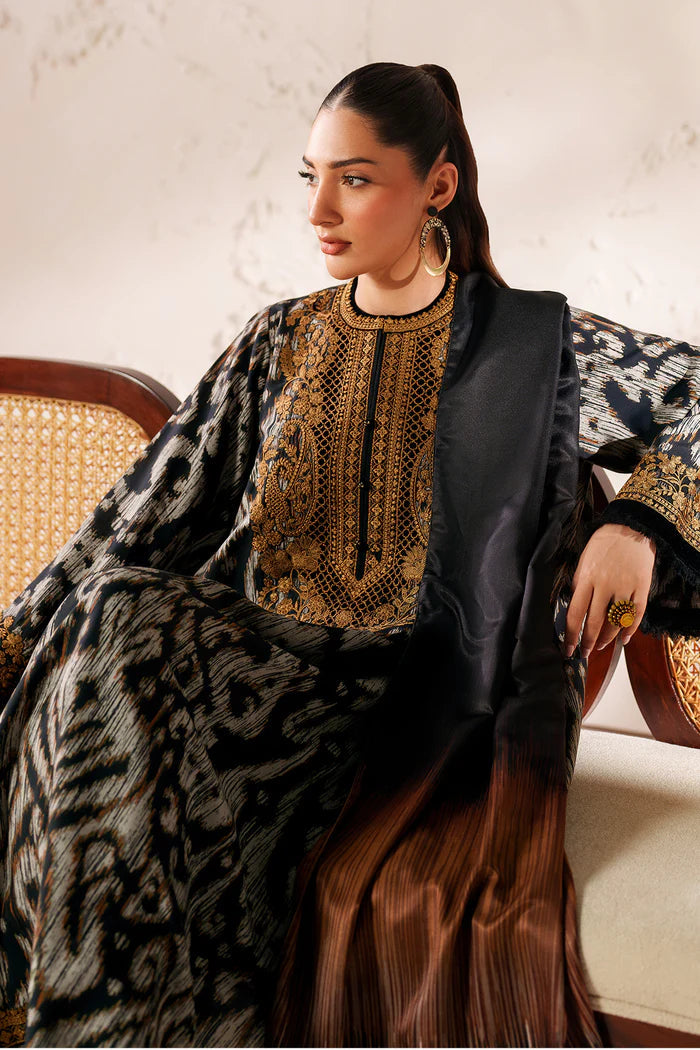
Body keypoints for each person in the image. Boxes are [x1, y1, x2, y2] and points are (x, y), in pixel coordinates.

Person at [0, 61, 698, 1048]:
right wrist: (14, 642)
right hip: (255, 682)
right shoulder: (277, 343)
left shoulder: (534, 349)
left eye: (355, 179)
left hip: (420, 703)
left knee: (122, 626)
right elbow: (137, 520)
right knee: (112, 612)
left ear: (437, 187)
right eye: (311, 177)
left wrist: (638, 526)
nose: (319, 211)